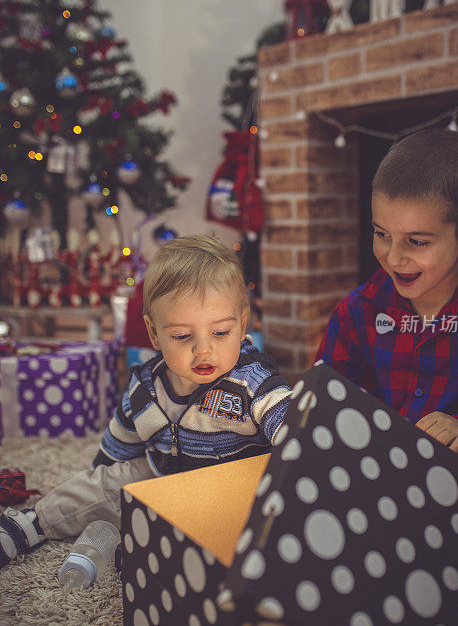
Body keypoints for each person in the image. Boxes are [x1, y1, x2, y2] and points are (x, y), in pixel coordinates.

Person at [0, 235, 291, 567]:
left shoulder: (253, 382)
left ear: (242, 325)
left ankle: (158, 544)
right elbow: (117, 446)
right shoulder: (145, 390)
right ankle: (29, 525)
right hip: (164, 479)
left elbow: (293, 426)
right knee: (103, 486)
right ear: (154, 335)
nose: (203, 349)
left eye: (221, 333)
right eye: (182, 336)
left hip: (234, 494)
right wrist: (103, 483)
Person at [316, 128, 458, 500]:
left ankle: (428, 512)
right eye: (382, 233)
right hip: (380, 462)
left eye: (417, 241)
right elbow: (325, 399)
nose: (394, 256)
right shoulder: (358, 310)